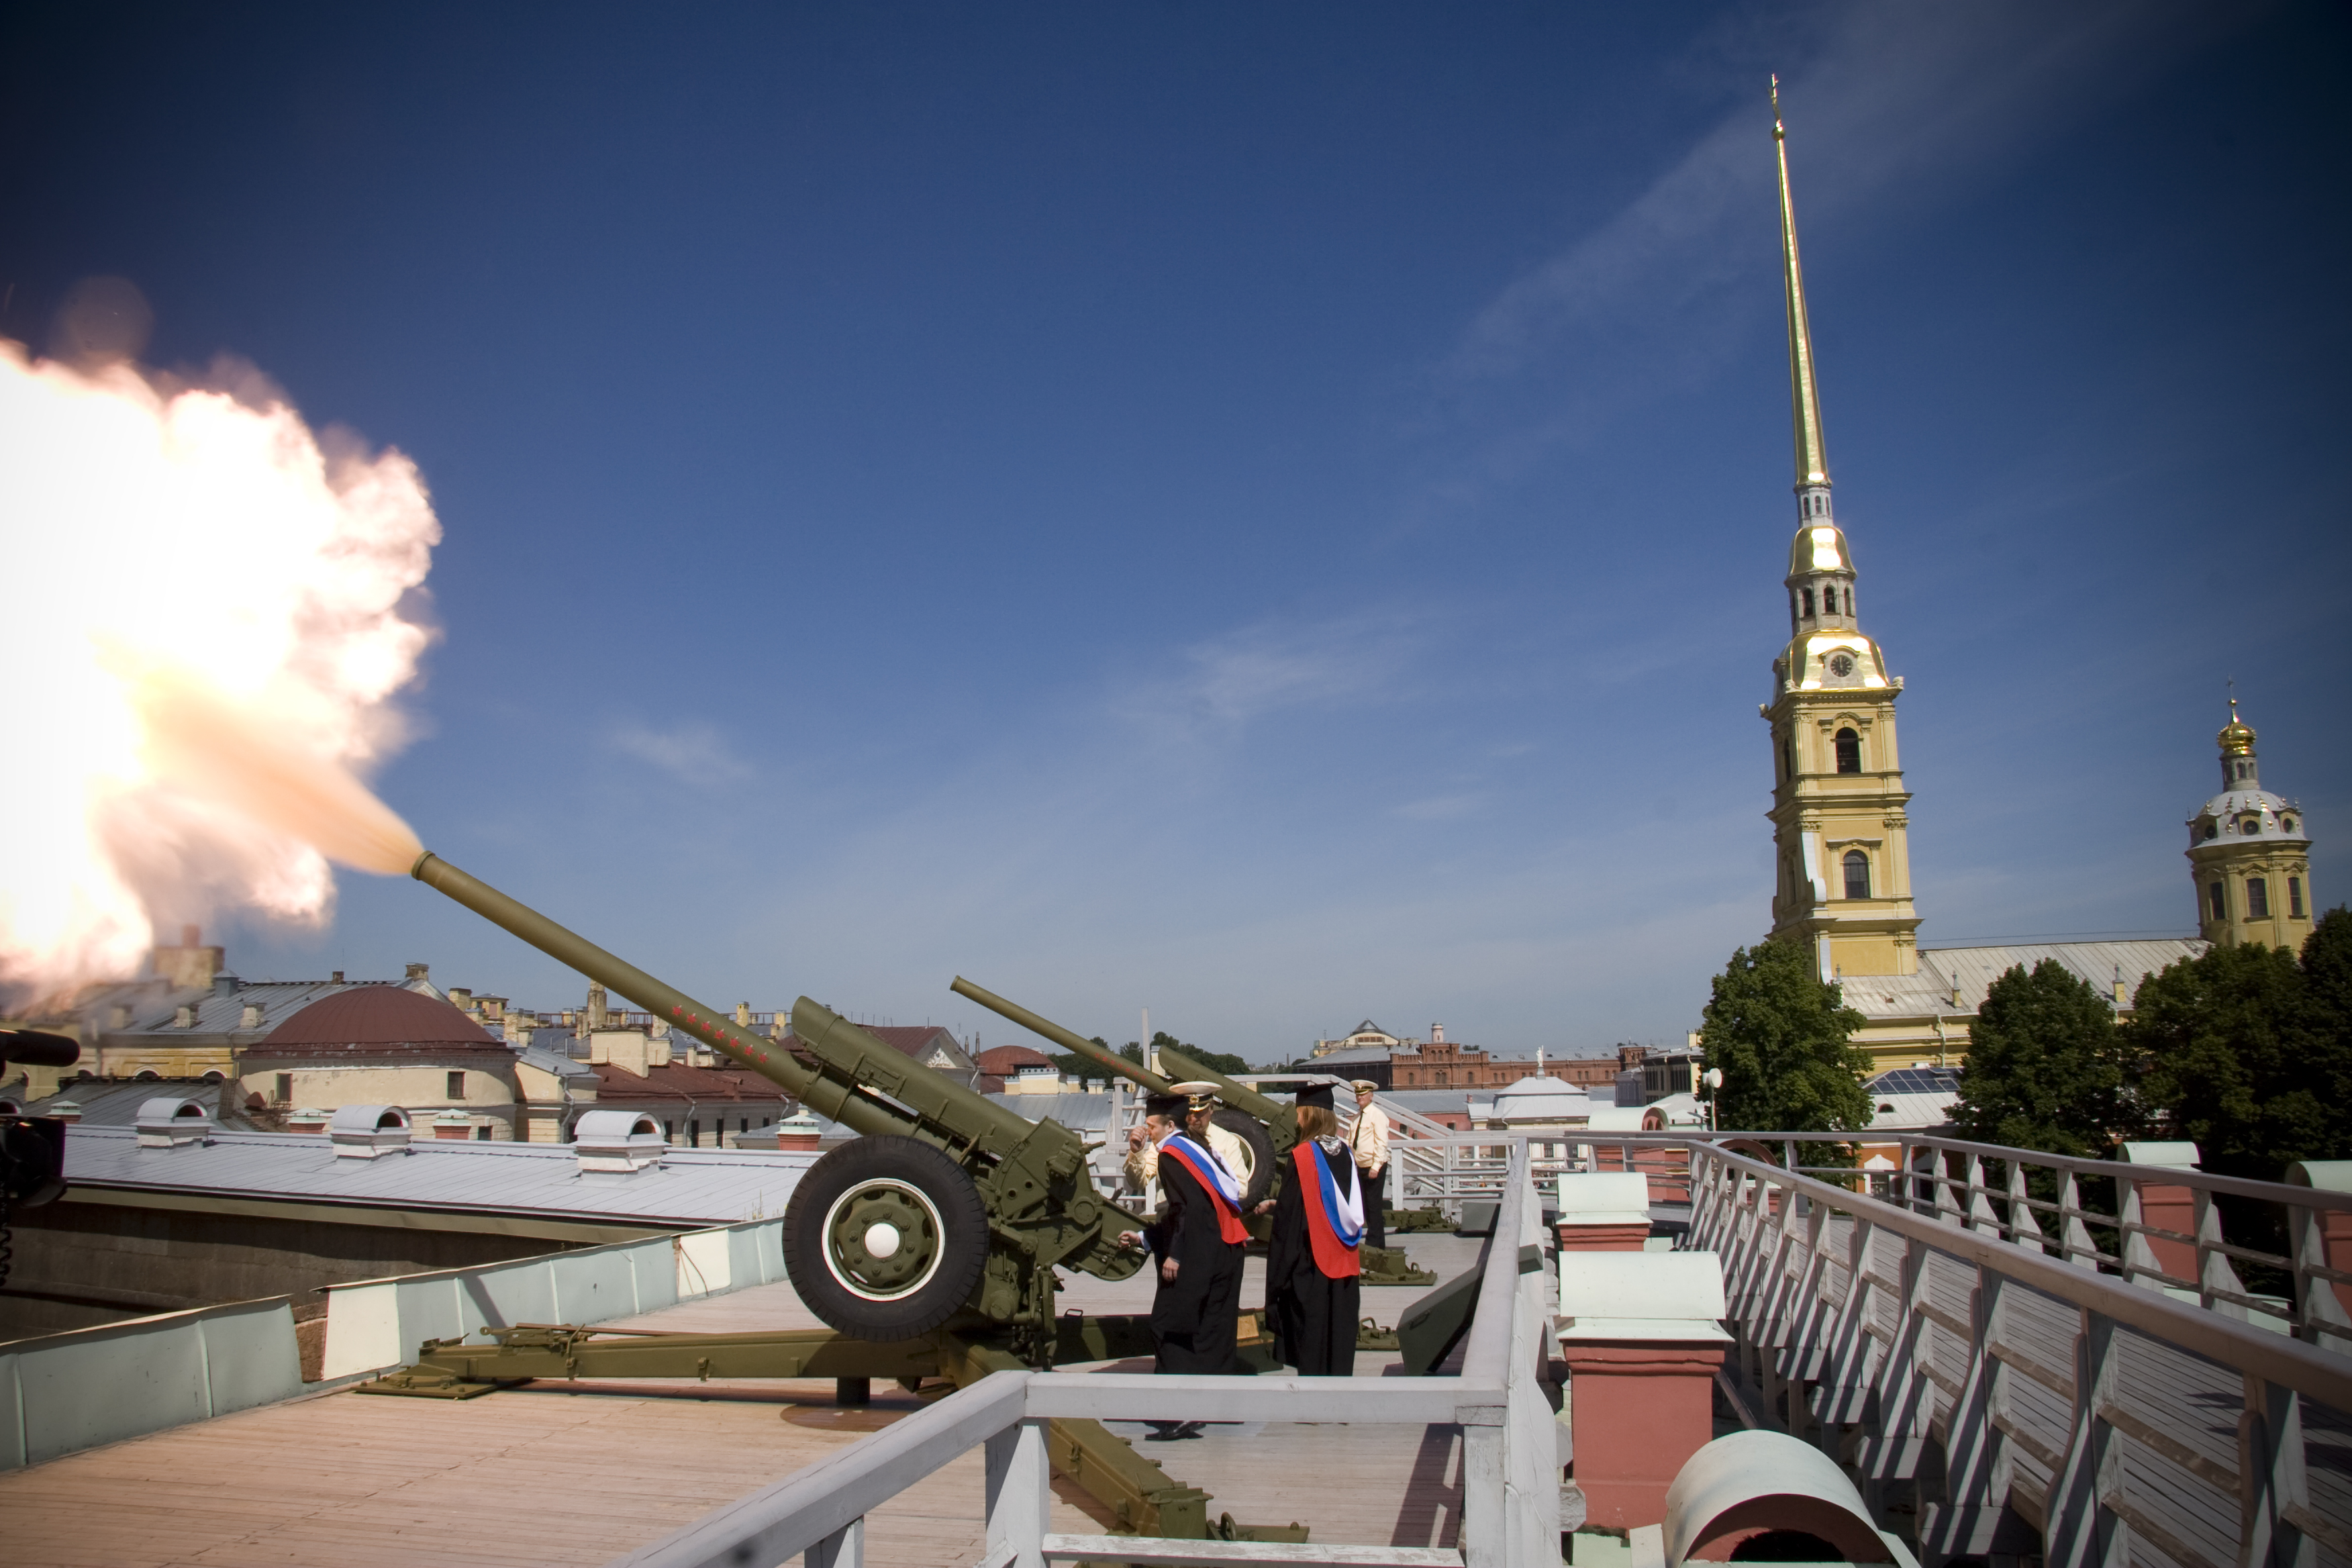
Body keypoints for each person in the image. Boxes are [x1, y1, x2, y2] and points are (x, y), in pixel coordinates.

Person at [1118, 1089, 1250, 1436]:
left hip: (1196, 1250)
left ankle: (1176, 1412)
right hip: (1228, 1247)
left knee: (1168, 1324)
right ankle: (1215, 1407)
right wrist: (1146, 1239)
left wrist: (1173, 1253)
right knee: (1214, 1328)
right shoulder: (1198, 1147)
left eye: (1151, 1125)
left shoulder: (1171, 1155)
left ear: (1168, 1124)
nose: (1148, 1132)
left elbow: (1183, 1209)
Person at [1267, 1080, 1365, 1377]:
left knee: (1312, 1332)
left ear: (1309, 1115)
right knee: (1340, 1329)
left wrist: (1278, 1279)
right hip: (1345, 1257)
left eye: (1300, 1112)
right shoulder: (1347, 1154)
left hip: (1312, 1261)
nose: (1296, 1119)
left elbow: (1290, 1220)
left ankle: (1313, 1398)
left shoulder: (1303, 1156)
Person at [1348, 1079, 1391, 1251]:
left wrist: (1376, 1167)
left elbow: (1381, 1143)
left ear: (1371, 1096)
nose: (1360, 1098)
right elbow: (1353, 1141)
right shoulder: (1357, 1117)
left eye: (1364, 1095)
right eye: (1358, 1095)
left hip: (1373, 1167)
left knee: (1374, 1207)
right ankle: (1375, 1242)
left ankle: (1376, 1245)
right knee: (1365, 1206)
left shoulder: (1377, 1115)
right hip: (1360, 1167)